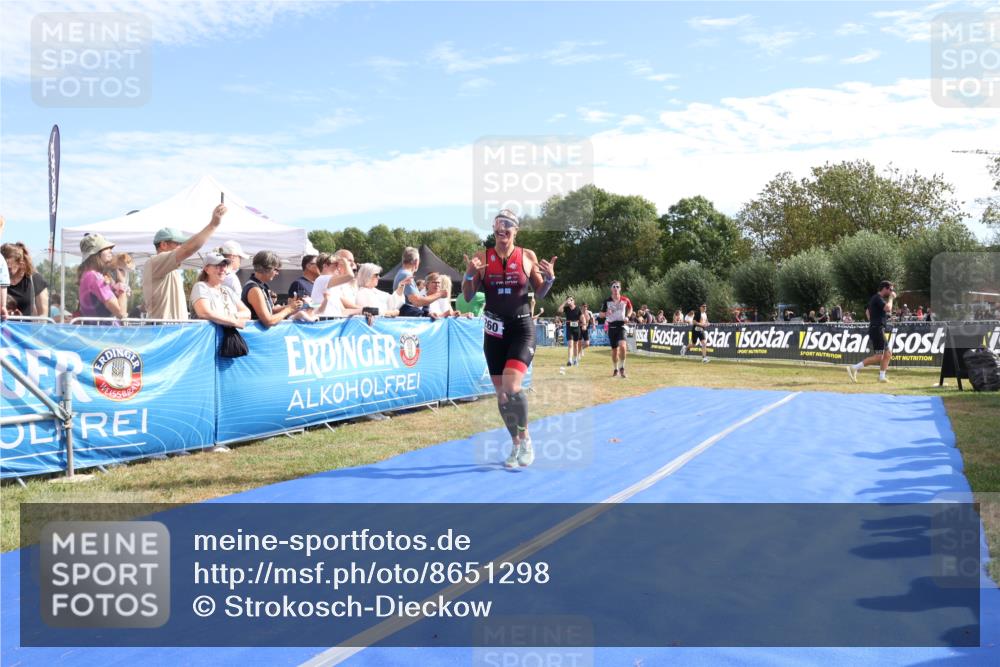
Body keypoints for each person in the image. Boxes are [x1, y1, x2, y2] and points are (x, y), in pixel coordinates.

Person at [462, 209, 556, 468]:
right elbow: (468, 297)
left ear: (516, 230)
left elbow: (542, 291)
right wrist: (469, 274)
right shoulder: (482, 258)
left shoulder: (527, 256)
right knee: (502, 396)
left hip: (521, 328)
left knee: (513, 387)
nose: (501, 231)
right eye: (497, 226)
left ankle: (526, 440)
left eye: (507, 226)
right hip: (494, 332)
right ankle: (515, 443)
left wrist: (550, 278)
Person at [143, 204, 226, 320]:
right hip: (164, 331)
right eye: (177, 243)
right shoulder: (155, 262)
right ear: (163, 244)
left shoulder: (167, 267)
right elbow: (187, 249)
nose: (180, 246)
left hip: (169, 331)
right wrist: (213, 225)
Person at [847, 280, 896, 384]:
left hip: (877, 328)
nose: (892, 291)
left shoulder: (876, 298)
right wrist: (891, 298)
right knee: (879, 356)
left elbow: (867, 311)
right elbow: (888, 308)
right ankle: (854, 368)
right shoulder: (878, 298)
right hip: (877, 329)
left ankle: (882, 377)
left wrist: (874, 320)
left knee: (888, 353)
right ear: (885, 288)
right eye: (891, 289)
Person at [241, 250, 306, 327]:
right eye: (276, 270)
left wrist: (292, 305)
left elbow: (271, 310)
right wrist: (289, 309)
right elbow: (268, 321)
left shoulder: (260, 285)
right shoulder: (254, 289)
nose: (277, 273)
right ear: (267, 267)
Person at [190, 252, 251, 327]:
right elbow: (204, 313)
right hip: (208, 337)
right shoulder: (201, 287)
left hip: (227, 337)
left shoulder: (228, 290)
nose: (222, 269)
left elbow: (247, 313)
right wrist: (233, 322)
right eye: (217, 265)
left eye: (224, 265)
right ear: (206, 269)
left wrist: (232, 317)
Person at [77, 234, 127, 319]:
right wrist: (122, 284)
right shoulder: (95, 277)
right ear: (96, 253)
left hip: (96, 330)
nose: (110, 251)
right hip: (105, 330)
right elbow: (121, 313)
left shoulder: (87, 274)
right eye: (106, 248)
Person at [1, 242, 48, 318]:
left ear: (20, 263)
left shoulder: (35, 279)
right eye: (2, 268)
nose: (4, 272)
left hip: (25, 329)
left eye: (8, 268)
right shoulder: (1, 277)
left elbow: (43, 315)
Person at [394, 247, 446, 317]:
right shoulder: (405, 275)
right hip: (408, 321)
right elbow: (416, 302)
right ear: (416, 261)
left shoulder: (402, 273)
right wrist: (440, 294)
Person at [599, 281, 634, 377]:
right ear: (611, 289)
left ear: (620, 288)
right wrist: (606, 313)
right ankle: (615, 369)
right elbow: (600, 314)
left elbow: (630, 308)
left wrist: (628, 316)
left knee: (623, 346)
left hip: (622, 325)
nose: (615, 288)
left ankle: (622, 368)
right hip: (612, 326)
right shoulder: (607, 301)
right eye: (614, 287)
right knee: (614, 351)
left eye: (617, 286)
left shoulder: (625, 299)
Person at [310, 253, 357, 317]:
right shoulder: (322, 279)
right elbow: (350, 276)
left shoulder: (331, 284)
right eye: (336, 264)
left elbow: (342, 311)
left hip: (330, 322)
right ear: (325, 265)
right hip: (324, 322)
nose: (338, 267)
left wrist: (364, 310)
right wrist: (345, 262)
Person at [559, 295, 583, 367]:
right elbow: (559, 310)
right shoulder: (566, 308)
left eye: (571, 300)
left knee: (576, 345)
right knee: (570, 344)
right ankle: (569, 360)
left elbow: (582, 317)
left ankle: (575, 360)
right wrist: (565, 302)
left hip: (577, 329)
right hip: (569, 328)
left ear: (574, 301)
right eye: (569, 300)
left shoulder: (578, 309)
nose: (570, 301)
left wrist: (584, 324)